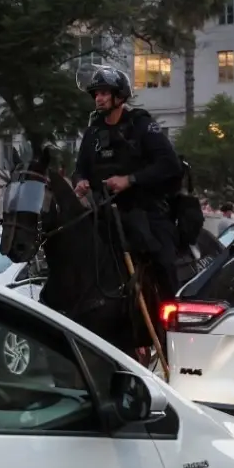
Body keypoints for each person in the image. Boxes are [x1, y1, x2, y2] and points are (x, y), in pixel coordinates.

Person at [72, 65, 183, 308]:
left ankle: (173, 315)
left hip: (145, 210)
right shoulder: (93, 132)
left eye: (104, 93)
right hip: (103, 213)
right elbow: (80, 168)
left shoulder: (142, 125)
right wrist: (80, 181)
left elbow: (170, 164)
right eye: (96, 94)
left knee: (163, 260)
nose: (98, 98)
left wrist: (130, 180)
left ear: (119, 96)